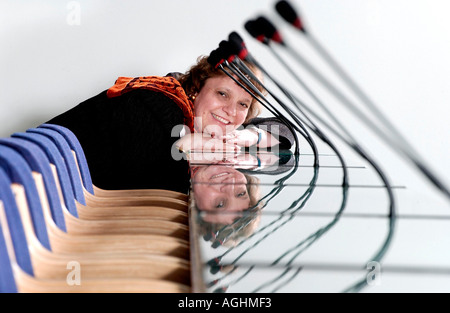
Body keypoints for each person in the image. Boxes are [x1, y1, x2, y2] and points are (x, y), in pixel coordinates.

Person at [46, 55, 296, 193]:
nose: (231, 111)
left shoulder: (191, 109)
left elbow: (286, 131)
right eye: (222, 94)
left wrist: (249, 137)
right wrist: (194, 146)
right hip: (31, 195)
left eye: (243, 105)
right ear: (197, 88)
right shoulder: (156, 106)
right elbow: (165, 182)